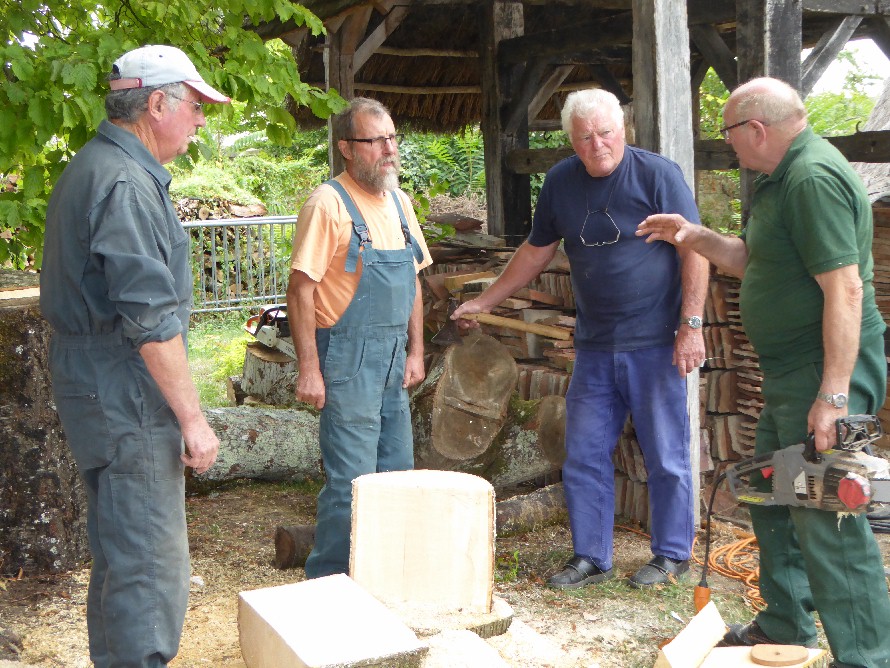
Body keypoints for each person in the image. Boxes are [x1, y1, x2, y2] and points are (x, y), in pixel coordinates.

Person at [637, 77, 890, 668]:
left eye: (729, 133)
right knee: (771, 493)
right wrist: (694, 235)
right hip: (792, 371)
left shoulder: (812, 178)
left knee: (827, 511)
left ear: (756, 128)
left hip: (821, 370)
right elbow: (752, 257)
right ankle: (785, 623)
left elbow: (846, 289)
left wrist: (833, 395)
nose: (728, 145)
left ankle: (867, 656)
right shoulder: (781, 179)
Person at [453, 88, 710, 589]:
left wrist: (692, 324)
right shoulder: (560, 181)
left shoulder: (657, 175)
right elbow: (536, 251)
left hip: (656, 341)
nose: (597, 145)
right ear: (571, 140)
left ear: (622, 129)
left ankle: (672, 554)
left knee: (666, 454)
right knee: (584, 453)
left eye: (605, 133)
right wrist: (486, 301)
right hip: (594, 345)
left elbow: (694, 250)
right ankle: (591, 555)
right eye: (585, 137)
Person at [39, 45, 228, 667]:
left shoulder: (98, 166)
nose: (201, 118)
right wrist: (193, 421)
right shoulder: (124, 182)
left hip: (98, 377)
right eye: (195, 104)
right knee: (148, 560)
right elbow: (150, 321)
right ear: (157, 105)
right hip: (124, 383)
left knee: (121, 551)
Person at [286, 97, 433, 579]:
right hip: (347, 359)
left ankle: (383, 578)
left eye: (392, 138)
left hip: (393, 357)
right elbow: (300, 290)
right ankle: (329, 581)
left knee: (396, 472)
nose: (389, 149)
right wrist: (309, 369)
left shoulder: (400, 202)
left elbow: (413, 281)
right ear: (347, 148)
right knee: (351, 482)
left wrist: (416, 351)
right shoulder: (328, 204)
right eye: (376, 141)